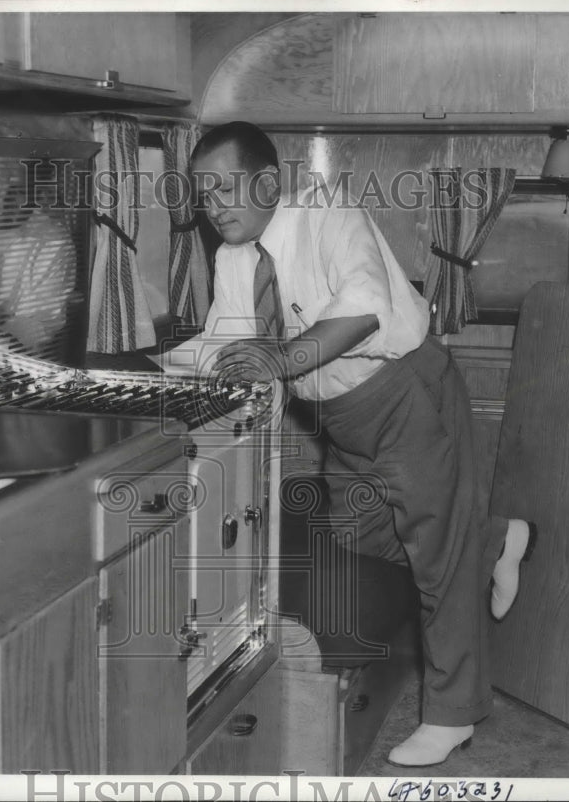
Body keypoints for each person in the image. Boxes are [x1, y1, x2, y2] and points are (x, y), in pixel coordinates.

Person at [185, 121, 536, 767]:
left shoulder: (328, 214)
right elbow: (225, 345)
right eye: (202, 194)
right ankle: (494, 539)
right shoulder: (235, 259)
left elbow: (365, 305)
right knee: (360, 535)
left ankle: (454, 713)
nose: (214, 206)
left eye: (224, 188)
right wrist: (164, 373)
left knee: (438, 557)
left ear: (267, 182)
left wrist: (280, 361)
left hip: (402, 394)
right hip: (339, 419)